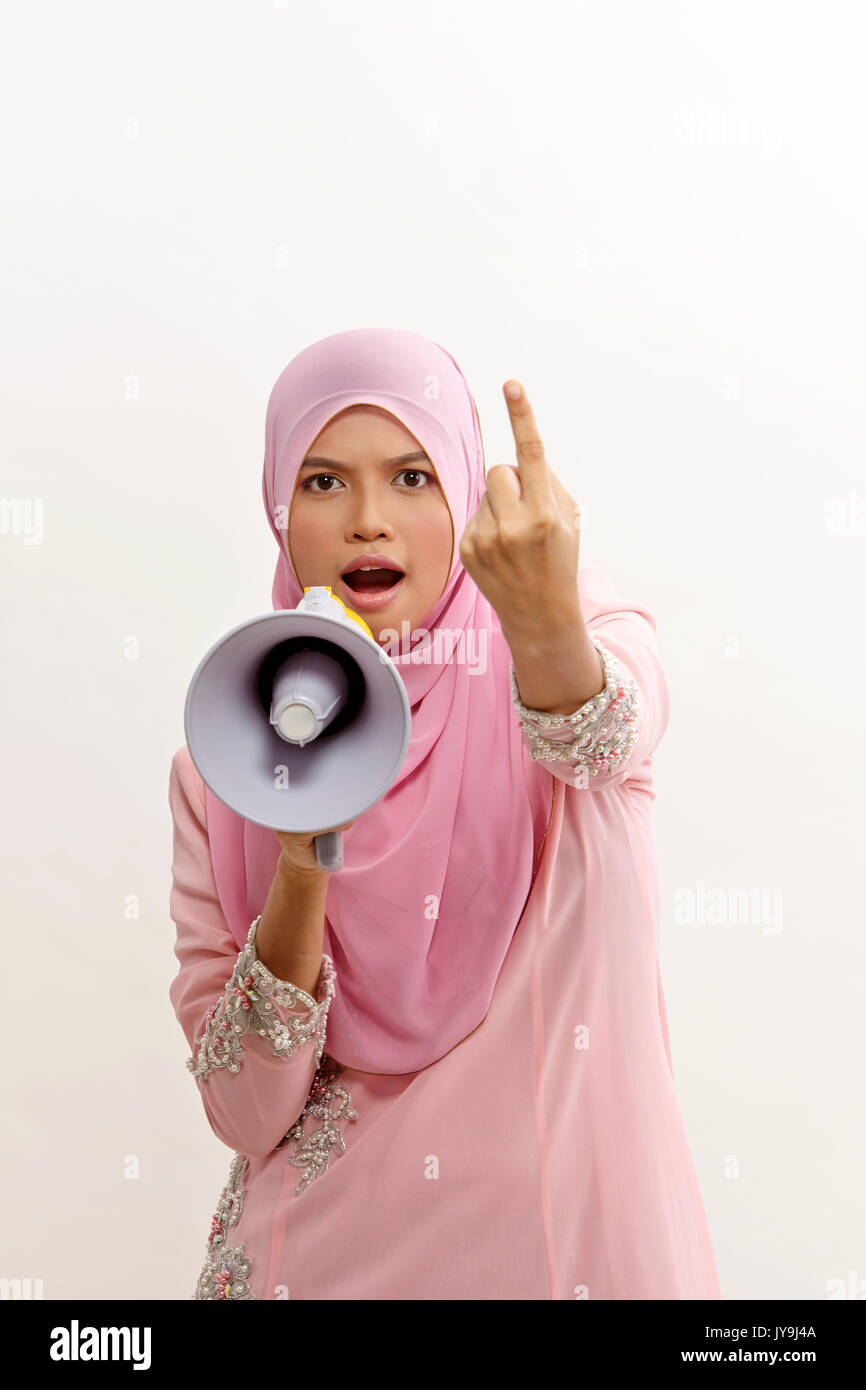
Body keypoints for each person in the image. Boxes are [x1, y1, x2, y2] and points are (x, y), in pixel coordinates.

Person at [168, 326, 722, 1300]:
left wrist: (545, 622)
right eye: (324, 480)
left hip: (558, 1266)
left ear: (465, 495)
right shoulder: (223, 767)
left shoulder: (575, 658)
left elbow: (594, 733)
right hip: (316, 1264)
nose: (368, 520)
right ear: (278, 510)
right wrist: (301, 864)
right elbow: (244, 1109)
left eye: (414, 477)